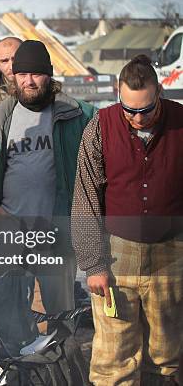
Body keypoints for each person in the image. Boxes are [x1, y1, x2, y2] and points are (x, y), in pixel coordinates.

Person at [71, 54, 183, 385]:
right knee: (114, 357)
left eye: (145, 110)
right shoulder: (99, 126)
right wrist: (94, 264)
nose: (136, 118)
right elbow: (86, 196)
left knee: (168, 354)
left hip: (172, 253)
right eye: (128, 109)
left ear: (159, 92)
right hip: (118, 254)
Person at [0, 40, 95, 317]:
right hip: (8, 231)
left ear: (49, 75)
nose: (29, 81)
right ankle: (15, 360)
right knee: (9, 315)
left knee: (59, 313)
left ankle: (57, 359)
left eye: (36, 74)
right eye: (23, 74)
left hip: (56, 233)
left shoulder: (77, 115)